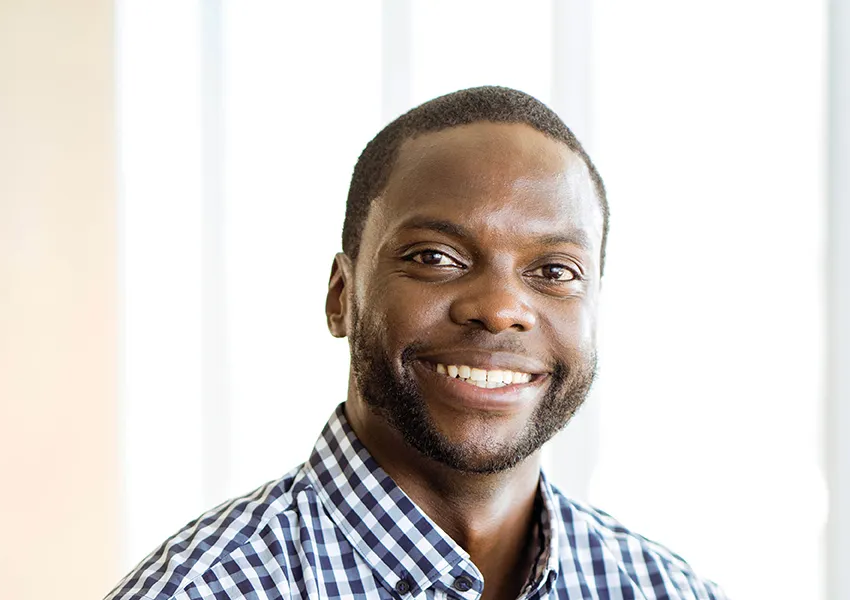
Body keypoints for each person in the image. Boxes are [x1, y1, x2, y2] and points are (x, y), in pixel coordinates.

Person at [107, 86, 723, 600]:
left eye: (555, 271)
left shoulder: (664, 588)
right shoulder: (205, 590)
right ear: (341, 296)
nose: (501, 309)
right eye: (436, 257)